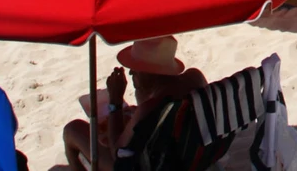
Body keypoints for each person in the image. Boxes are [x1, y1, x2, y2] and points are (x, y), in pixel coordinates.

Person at [61, 36, 208, 171]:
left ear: (150, 72)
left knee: (72, 130)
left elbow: (117, 153)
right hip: (193, 153)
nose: (131, 72)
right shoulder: (195, 78)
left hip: (152, 164)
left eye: (136, 68)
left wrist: (115, 102)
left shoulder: (150, 107)